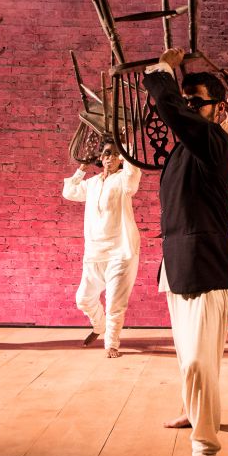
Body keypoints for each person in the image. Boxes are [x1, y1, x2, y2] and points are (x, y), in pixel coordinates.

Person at [144, 48, 228, 456]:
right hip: (177, 264)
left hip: (205, 267)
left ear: (218, 109)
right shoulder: (183, 150)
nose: (186, 107)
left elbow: (170, 109)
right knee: (189, 357)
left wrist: (164, 67)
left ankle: (205, 446)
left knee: (201, 362)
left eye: (195, 101)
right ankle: (191, 408)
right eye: (186, 100)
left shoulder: (215, 142)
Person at [62, 138, 142, 358]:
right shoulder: (92, 183)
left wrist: (128, 147)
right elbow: (69, 191)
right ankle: (99, 326)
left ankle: (112, 344)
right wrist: (83, 166)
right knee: (83, 299)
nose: (111, 158)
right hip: (94, 253)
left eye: (116, 154)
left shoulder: (123, 180)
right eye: (107, 153)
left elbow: (132, 177)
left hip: (121, 251)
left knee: (114, 303)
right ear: (100, 157)